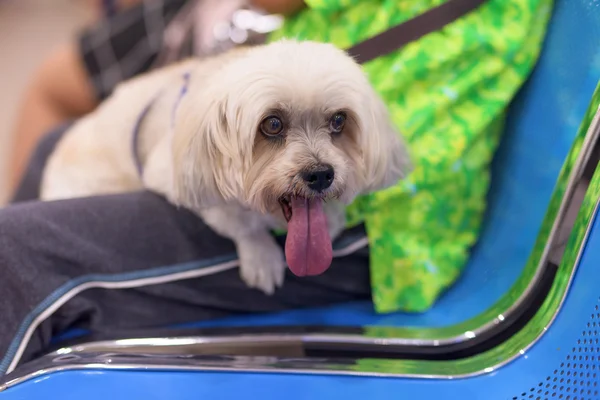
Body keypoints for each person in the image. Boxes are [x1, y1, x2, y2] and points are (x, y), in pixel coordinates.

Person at [0, 0, 552, 376]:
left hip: (383, 229)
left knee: (16, 252)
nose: (315, 160)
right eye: (275, 128)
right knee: (52, 151)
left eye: (337, 125)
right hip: (200, 180)